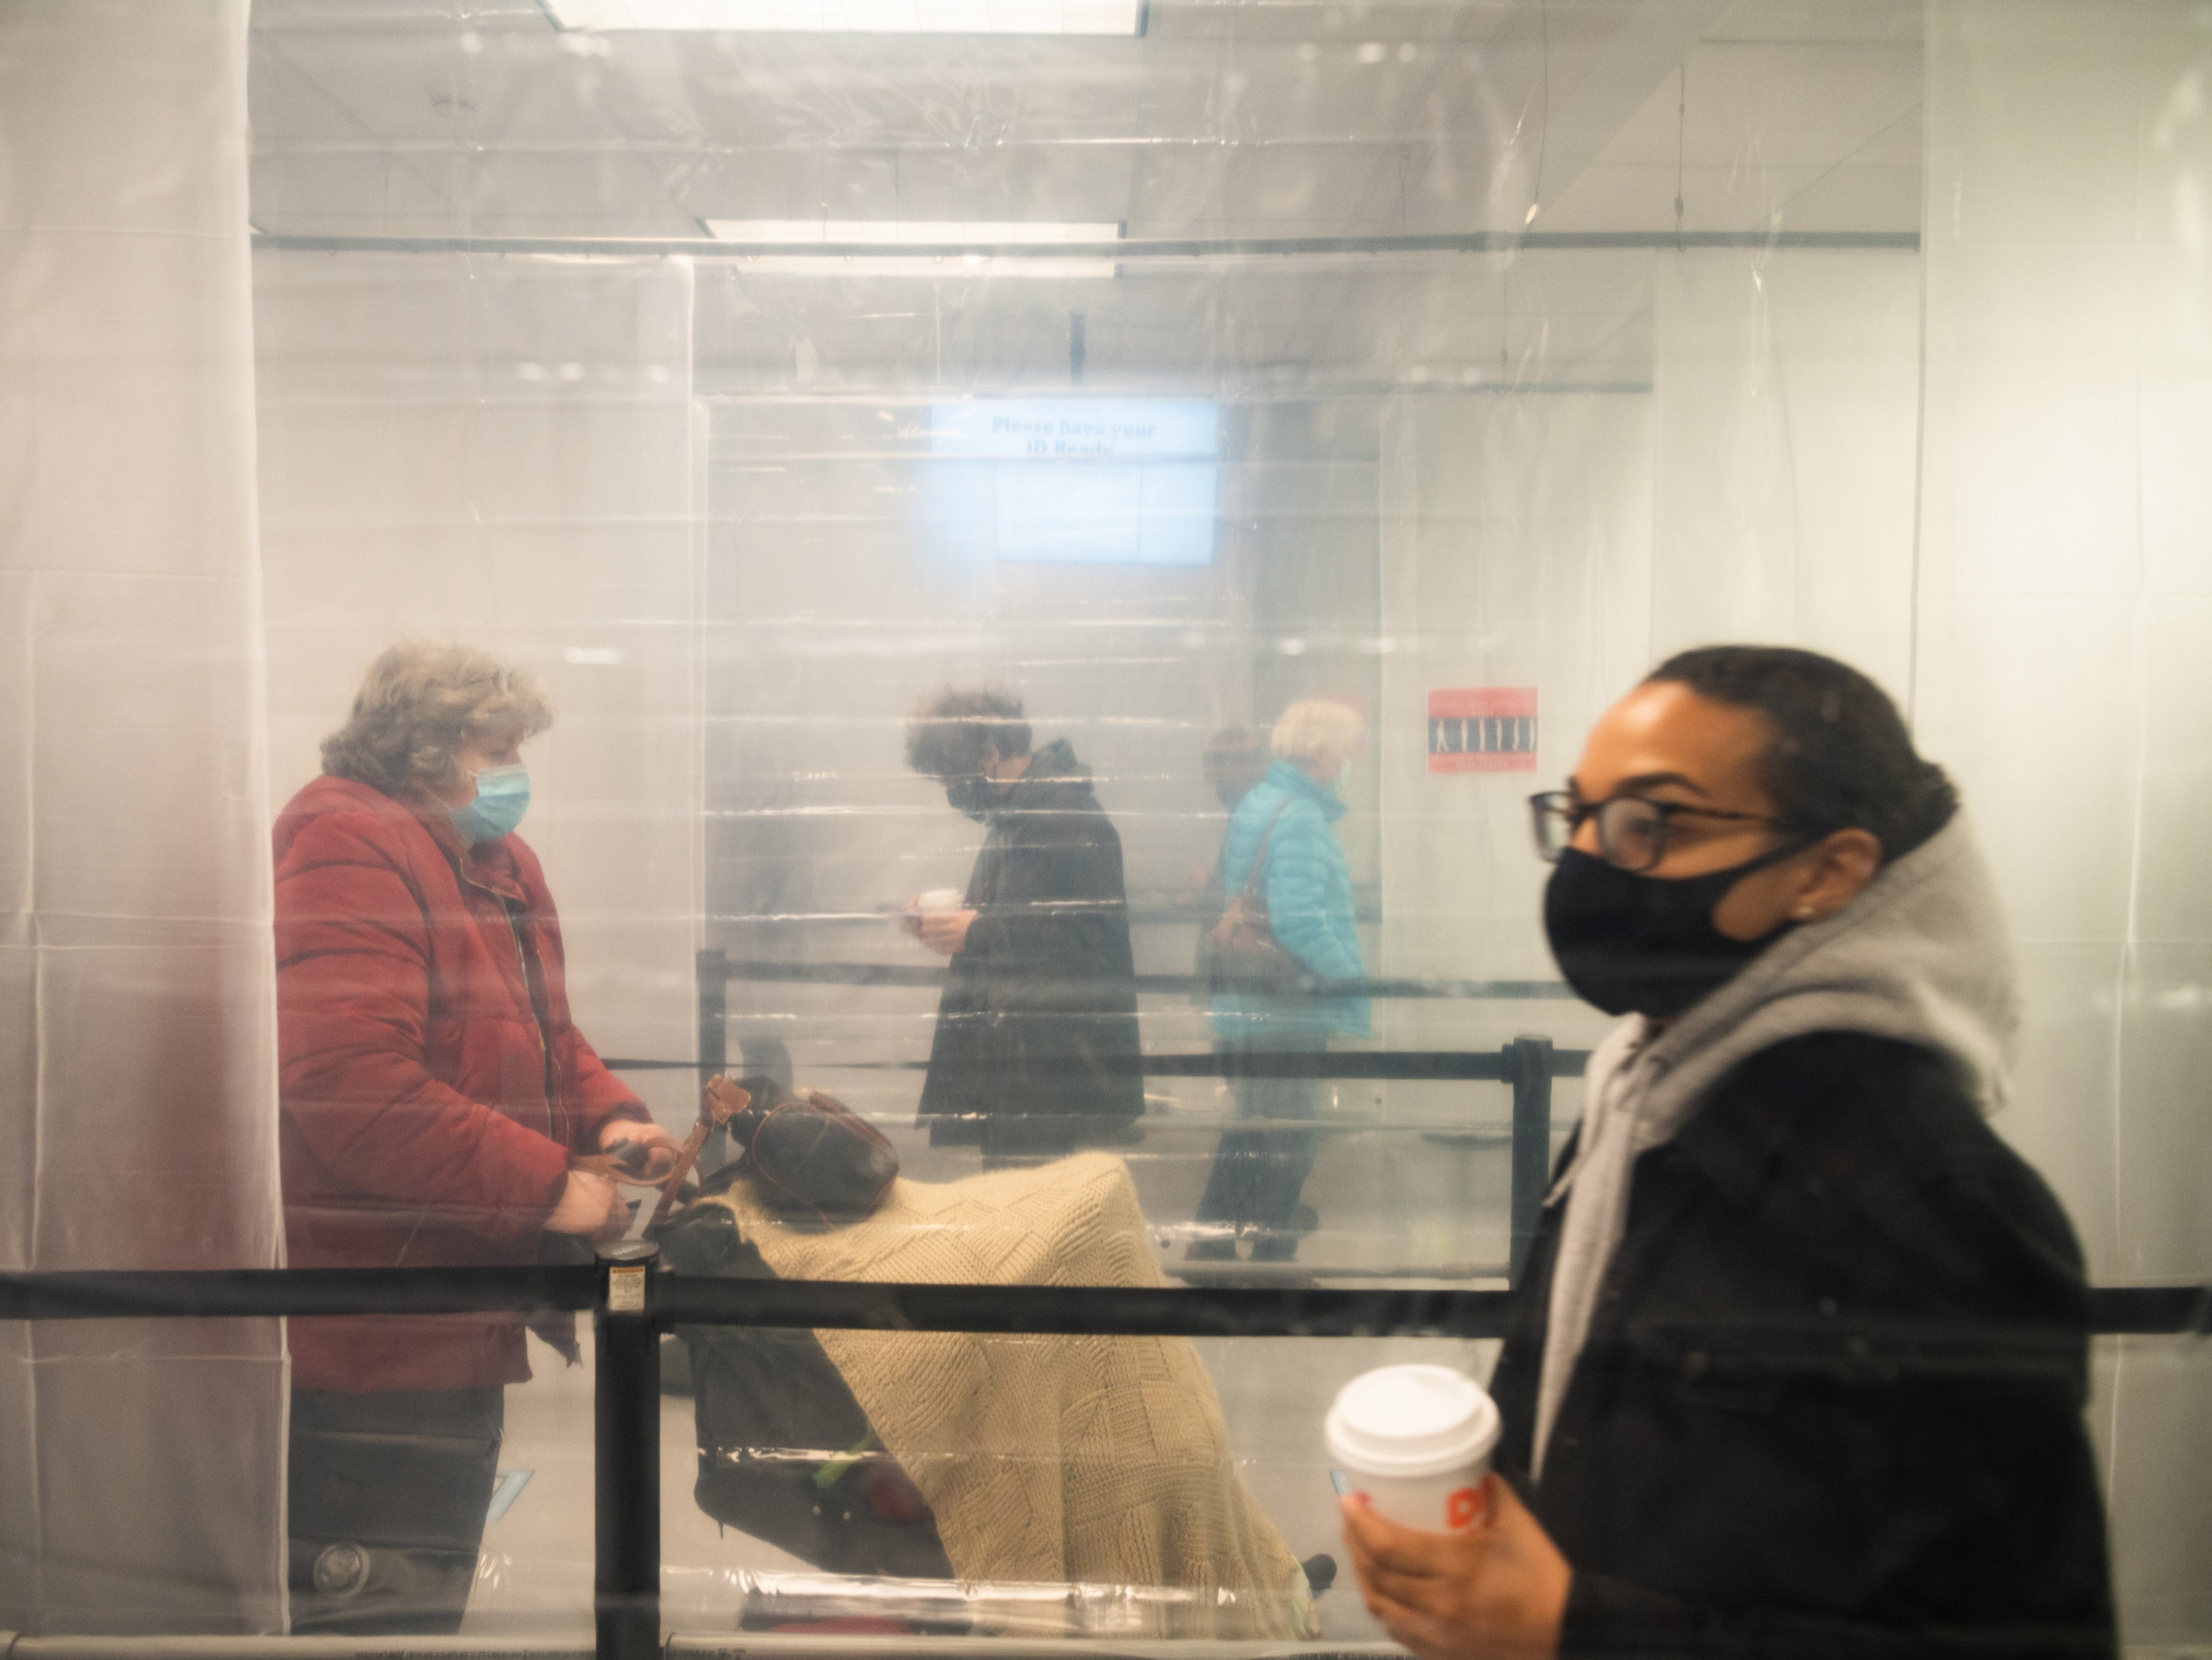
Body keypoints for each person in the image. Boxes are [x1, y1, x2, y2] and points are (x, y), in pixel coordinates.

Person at [1342, 646, 2115, 1658]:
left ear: (1826, 870)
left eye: (1646, 825)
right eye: (1576, 814)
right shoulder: (1643, 1088)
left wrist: (1569, 1630)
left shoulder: (1932, 1201)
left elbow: (2027, 1645)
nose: (1585, 857)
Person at [274, 641, 684, 1635]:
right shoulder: (345, 844)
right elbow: (350, 1086)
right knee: (375, 1613)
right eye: (496, 750)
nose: (514, 776)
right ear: (424, 749)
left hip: (461, 1295)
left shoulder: (492, 858)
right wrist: (550, 1184)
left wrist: (612, 1121)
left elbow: (542, 1034)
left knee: (426, 1586)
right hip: (382, 1314)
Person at [902, 685, 1142, 1162]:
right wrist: (941, 925)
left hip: (1050, 1065)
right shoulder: (1017, 815)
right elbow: (1014, 913)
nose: (953, 791)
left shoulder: (1067, 815)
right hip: (1018, 1057)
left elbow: (1091, 935)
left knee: (1034, 1210)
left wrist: (977, 931)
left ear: (990, 755)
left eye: (953, 775)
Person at [1189, 699, 1371, 1264]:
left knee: (1254, 1130)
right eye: (1344, 748)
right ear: (1320, 753)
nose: (1348, 760)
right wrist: (1350, 980)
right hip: (1287, 1006)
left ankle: (1213, 1253)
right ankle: (1269, 1265)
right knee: (1288, 1139)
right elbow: (1298, 920)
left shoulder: (1262, 802)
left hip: (1253, 1000)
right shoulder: (1300, 817)